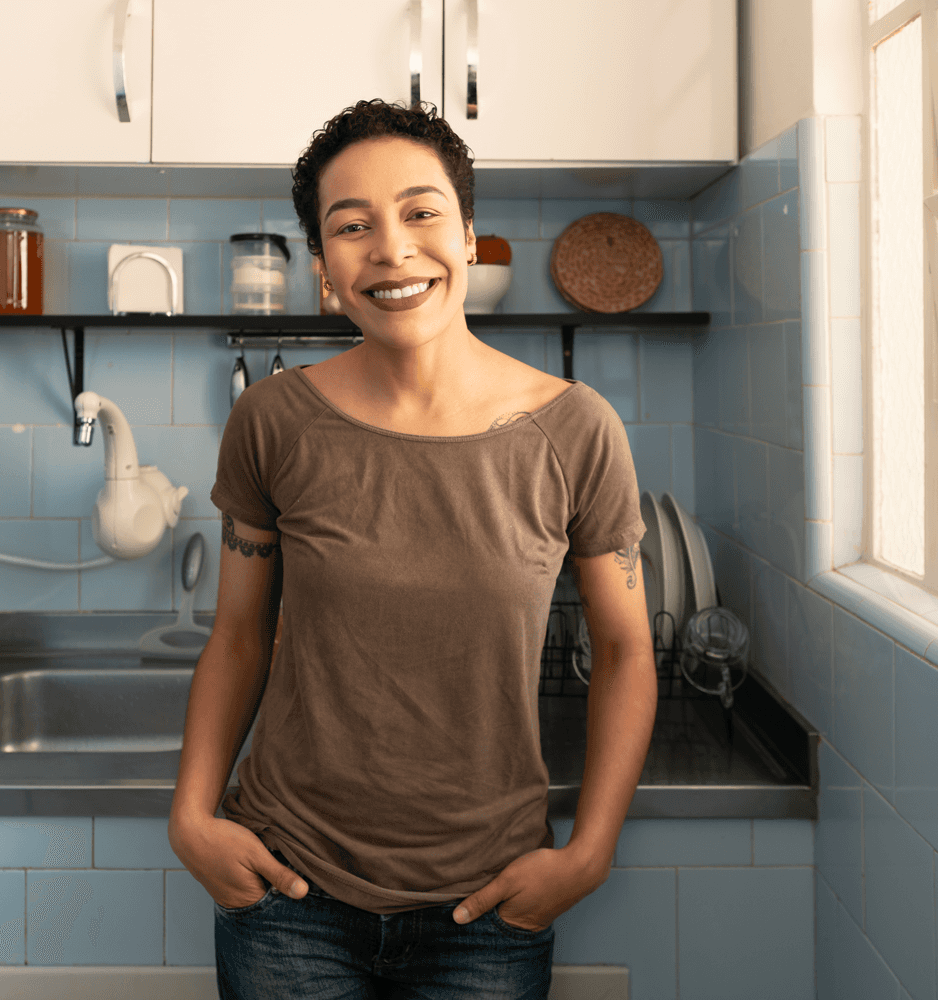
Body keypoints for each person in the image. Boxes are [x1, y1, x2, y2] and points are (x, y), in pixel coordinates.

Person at [168, 99, 657, 999]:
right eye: (350, 226)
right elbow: (238, 636)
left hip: (488, 906)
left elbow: (627, 649)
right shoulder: (271, 421)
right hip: (288, 894)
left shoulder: (576, 429)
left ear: (471, 236)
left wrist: (589, 853)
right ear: (322, 266)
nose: (390, 249)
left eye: (421, 213)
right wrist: (190, 820)